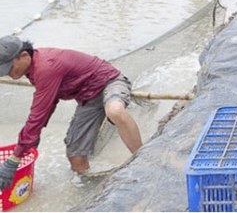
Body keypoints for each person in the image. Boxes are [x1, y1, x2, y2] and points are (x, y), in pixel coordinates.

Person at [0, 35, 142, 190]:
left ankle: (143, 159)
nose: (9, 74)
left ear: (24, 56)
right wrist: (33, 135)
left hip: (109, 82)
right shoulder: (32, 69)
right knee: (75, 156)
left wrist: (15, 158)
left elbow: (37, 113)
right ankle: (93, 191)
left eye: (10, 68)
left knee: (114, 110)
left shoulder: (46, 67)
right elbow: (49, 103)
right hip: (88, 98)